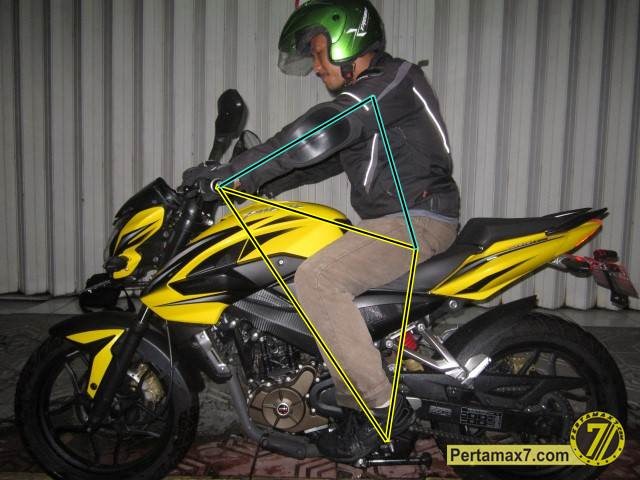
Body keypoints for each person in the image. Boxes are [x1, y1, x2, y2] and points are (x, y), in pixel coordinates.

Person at [182, 0, 460, 463]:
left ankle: (380, 412)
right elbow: (316, 161)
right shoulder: (374, 99)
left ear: (347, 41)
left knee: (318, 279)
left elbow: (315, 134)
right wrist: (251, 183)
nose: (315, 66)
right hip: (396, 220)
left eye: (317, 53)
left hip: (419, 220)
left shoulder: (394, 80)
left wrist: (235, 172)